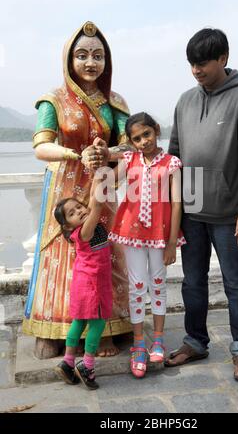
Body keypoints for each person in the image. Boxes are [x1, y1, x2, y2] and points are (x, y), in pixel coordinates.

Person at [23, 21, 132, 359]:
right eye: (82, 55)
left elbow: (130, 147)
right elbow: (42, 146)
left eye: (98, 56)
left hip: (101, 188)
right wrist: (76, 154)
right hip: (66, 190)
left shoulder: (114, 102)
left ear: (106, 61)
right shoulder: (53, 100)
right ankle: (53, 329)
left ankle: (109, 327)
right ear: (69, 60)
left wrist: (108, 154)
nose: (90, 63)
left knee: (104, 256)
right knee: (62, 258)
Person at [166, 28, 238, 382]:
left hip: (229, 214)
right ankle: (195, 340)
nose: (196, 70)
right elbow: (174, 158)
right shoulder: (185, 101)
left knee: (235, 282)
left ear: (223, 59)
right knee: (191, 282)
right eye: (192, 64)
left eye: (203, 63)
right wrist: (172, 209)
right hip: (191, 211)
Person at [107, 112, 186, 378]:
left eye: (147, 134)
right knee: (137, 286)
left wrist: (172, 242)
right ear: (131, 142)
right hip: (131, 233)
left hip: (162, 235)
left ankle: (159, 339)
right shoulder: (129, 160)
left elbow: (177, 204)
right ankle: (139, 342)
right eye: (137, 138)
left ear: (156, 130)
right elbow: (107, 180)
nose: (143, 141)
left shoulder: (171, 163)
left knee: (159, 283)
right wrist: (102, 156)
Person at [54, 154, 112, 390]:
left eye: (79, 207)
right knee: (97, 324)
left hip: (82, 282)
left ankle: (68, 362)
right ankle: (87, 365)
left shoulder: (83, 226)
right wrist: (100, 171)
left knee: (79, 321)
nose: (79, 211)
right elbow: (96, 203)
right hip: (93, 284)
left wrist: (96, 173)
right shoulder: (85, 232)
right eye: (72, 213)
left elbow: (91, 201)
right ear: (68, 226)